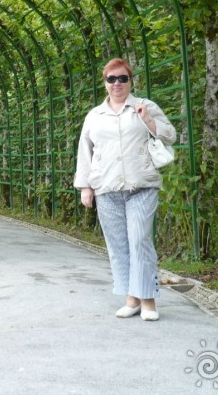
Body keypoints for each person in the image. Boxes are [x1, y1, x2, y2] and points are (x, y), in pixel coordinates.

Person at [74, 58, 177, 321]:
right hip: (106, 187)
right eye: (112, 79)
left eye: (122, 78)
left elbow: (170, 135)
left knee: (140, 240)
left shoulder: (145, 106)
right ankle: (131, 298)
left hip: (141, 184)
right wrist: (85, 187)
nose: (117, 84)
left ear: (130, 80)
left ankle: (148, 300)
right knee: (118, 245)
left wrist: (149, 122)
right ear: (105, 83)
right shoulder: (94, 116)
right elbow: (85, 152)